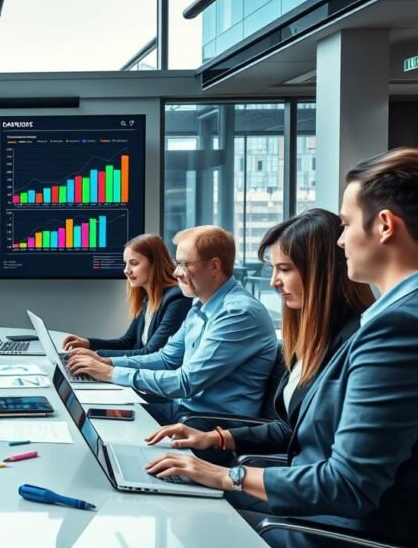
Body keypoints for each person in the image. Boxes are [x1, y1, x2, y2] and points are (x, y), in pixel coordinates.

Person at [145, 149, 418, 548]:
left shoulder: (395, 326)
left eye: (345, 224)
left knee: (186, 515)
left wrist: (226, 475)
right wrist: (216, 440)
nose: (341, 240)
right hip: (320, 509)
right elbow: (304, 430)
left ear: (384, 225)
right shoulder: (386, 317)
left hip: (339, 527)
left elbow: (349, 484)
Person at [145, 208, 374, 493]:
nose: (274, 282)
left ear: (321, 272)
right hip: (289, 486)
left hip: (308, 507)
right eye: (273, 269)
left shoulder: (362, 342)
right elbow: (291, 430)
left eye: (285, 269)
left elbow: (344, 481)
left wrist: (228, 476)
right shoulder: (313, 341)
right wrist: (214, 438)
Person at [69, 225, 278, 424]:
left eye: (185, 264)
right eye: (177, 263)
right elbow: (166, 358)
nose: (176, 272)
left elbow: (186, 382)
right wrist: (108, 363)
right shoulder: (200, 304)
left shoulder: (238, 313)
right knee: (93, 414)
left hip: (212, 427)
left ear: (214, 266)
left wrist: (110, 373)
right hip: (184, 412)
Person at [62, 233, 192, 366]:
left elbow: (151, 352)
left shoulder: (177, 299)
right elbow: (128, 342)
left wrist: (97, 356)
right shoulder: (148, 298)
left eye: (134, 263)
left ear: (155, 264)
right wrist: (88, 344)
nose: (126, 270)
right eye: (126, 264)